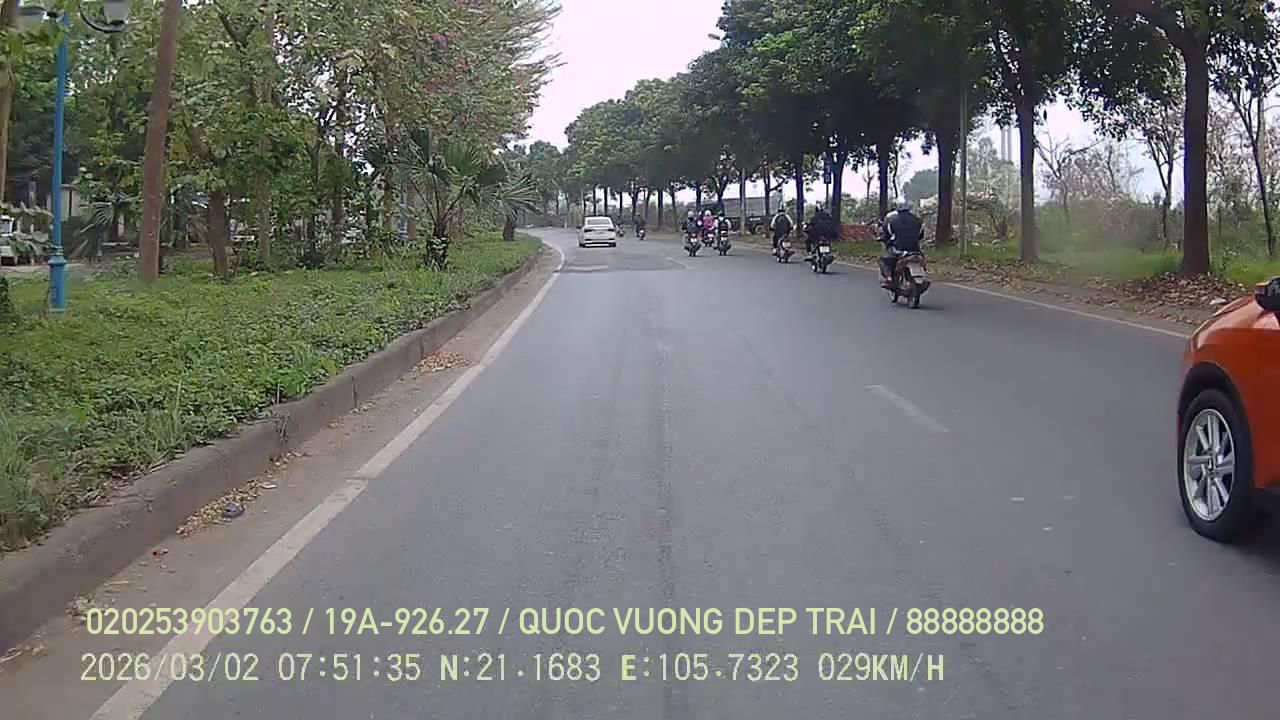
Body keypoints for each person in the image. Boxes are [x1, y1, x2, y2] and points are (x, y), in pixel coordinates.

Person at [879, 198, 925, 287]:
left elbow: (888, 234)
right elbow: (920, 235)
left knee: (885, 260)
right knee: (921, 258)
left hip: (899, 248)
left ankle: (889, 278)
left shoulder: (892, 220)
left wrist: (885, 239)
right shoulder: (918, 220)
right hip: (915, 249)